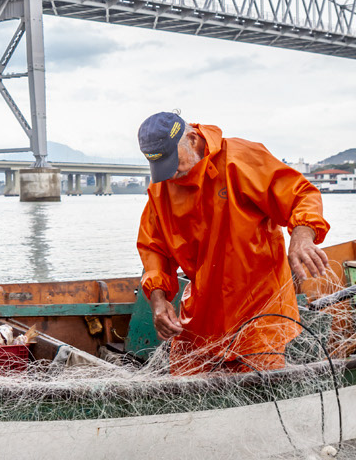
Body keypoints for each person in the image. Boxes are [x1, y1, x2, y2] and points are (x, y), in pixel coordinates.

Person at [136, 112, 329, 373]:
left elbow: (300, 195)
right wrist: (158, 300)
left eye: (174, 162)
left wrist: (302, 237)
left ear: (192, 139)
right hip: (201, 316)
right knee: (185, 388)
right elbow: (153, 247)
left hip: (259, 312)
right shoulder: (162, 186)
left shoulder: (241, 158)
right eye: (162, 168)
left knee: (260, 393)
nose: (171, 174)